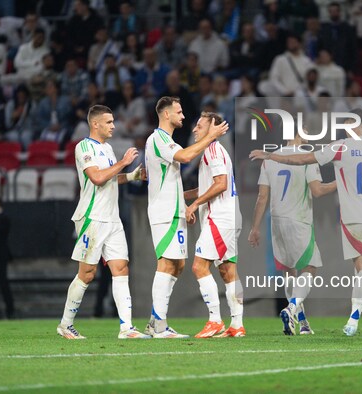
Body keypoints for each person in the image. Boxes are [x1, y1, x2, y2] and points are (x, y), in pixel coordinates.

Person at [250, 108, 362, 338]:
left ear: (355, 125)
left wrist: (272, 156)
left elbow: (302, 158)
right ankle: (355, 320)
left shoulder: (340, 146)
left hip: (353, 217)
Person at [57, 105, 148, 340]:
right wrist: (124, 162)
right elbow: (97, 178)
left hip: (112, 218)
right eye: (109, 122)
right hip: (92, 217)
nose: (113, 126)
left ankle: (126, 328)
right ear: (95, 124)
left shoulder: (107, 149)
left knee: (121, 269)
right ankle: (66, 325)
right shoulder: (84, 147)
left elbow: (109, 178)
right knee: (87, 273)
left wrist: (131, 176)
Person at [143, 96, 228, 338]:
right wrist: (211, 136)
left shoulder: (166, 140)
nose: (183, 116)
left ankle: (155, 320)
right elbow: (185, 157)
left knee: (177, 265)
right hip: (163, 211)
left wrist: (184, 206)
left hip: (174, 209)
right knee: (166, 263)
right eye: (179, 112)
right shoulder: (158, 138)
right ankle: (158, 325)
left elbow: (168, 179)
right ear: (166, 114)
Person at [248, 130, 336, 335]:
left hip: (276, 222)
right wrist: (340, 182)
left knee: (289, 271)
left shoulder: (269, 159)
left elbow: (262, 197)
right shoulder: (307, 158)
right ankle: (291, 307)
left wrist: (254, 228)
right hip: (298, 220)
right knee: (311, 267)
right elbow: (317, 191)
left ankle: (303, 323)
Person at [184, 112, 244, 338]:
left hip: (220, 217)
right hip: (228, 215)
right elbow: (207, 186)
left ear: (213, 129)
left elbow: (220, 184)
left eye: (199, 125)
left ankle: (215, 320)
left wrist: (194, 205)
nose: (194, 130)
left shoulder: (212, 150)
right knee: (228, 270)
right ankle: (237, 325)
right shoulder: (215, 151)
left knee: (199, 267)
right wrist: (183, 197)